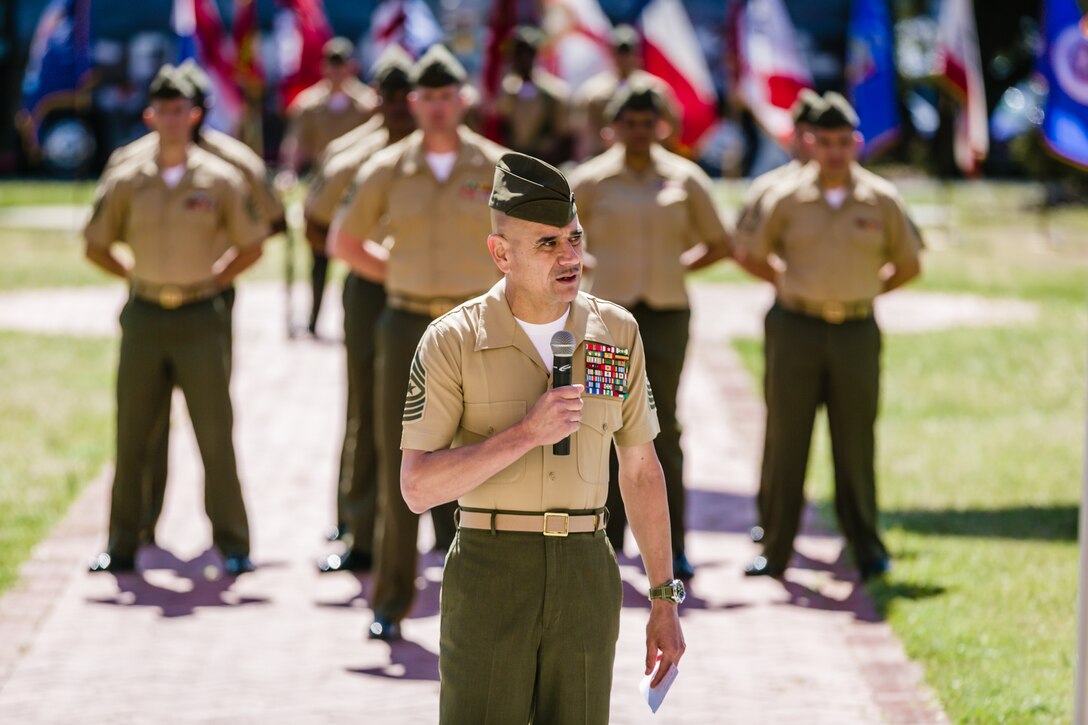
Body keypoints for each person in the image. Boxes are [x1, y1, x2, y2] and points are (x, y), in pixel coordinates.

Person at [398, 152, 685, 723]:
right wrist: (526, 434)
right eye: (547, 244)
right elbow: (418, 488)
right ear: (501, 253)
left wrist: (663, 598)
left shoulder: (613, 332)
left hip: (586, 571)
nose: (570, 256)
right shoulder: (451, 341)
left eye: (574, 238)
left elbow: (640, 469)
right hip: (490, 568)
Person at [328, 45, 508, 640]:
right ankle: (390, 600)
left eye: (446, 96)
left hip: (472, 328)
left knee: (477, 460)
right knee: (398, 457)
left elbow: (537, 241)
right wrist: (400, 272)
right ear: (414, 102)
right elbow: (345, 242)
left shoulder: (497, 168)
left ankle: (474, 604)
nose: (436, 107)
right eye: (426, 98)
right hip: (404, 324)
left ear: (463, 100)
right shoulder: (387, 168)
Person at [84, 67, 267, 575]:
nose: (170, 119)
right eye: (161, 110)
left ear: (194, 115)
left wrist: (216, 276)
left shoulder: (219, 177)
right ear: (149, 116)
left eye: (179, 110)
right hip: (144, 317)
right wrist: (133, 275)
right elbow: (95, 243)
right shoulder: (127, 175)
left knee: (214, 432)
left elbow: (252, 242)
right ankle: (121, 543)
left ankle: (233, 543)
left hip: (200, 317)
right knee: (133, 433)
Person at [735, 93, 923, 580]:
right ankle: (775, 550)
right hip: (795, 326)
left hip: (856, 331)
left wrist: (865, 289)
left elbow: (909, 264)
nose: (836, 152)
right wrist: (789, 283)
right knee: (787, 438)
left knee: (855, 442)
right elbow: (750, 252)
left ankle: (866, 549)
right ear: (810, 143)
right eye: (827, 142)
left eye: (845, 142)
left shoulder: (881, 199)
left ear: (857, 143)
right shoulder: (785, 197)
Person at [569, 81, 733, 580]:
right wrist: (586, 265)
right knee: (605, 423)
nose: (639, 133)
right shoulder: (591, 181)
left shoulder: (684, 179)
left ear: (662, 126)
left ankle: (671, 545)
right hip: (606, 321)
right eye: (629, 124)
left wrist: (674, 265)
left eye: (647, 123)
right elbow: (557, 237)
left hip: (665, 315)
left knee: (663, 426)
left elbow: (719, 241)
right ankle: (606, 541)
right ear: (612, 127)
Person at [305, 45, 417, 573]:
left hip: (432, 289)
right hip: (373, 288)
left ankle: (440, 528)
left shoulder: (437, 153)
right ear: (377, 98)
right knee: (365, 407)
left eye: (405, 96)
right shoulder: (354, 154)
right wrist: (375, 262)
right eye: (390, 96)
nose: (397, 106)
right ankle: (358, 522)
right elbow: (315, 220)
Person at [280, 37, 377, 336]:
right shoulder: (310, 105)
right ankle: (313, 319)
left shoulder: (367, 105)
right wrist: (289, 172)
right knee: (318, 260)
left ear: (351, 66)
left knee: (359, 258)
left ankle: (357, 320)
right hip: (323, 190)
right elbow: (296, 143)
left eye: (341, 64)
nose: (336, 71)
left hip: (358, 190)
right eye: (331, 64)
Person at [571, 24, 679, 161]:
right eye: (619, 52)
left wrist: (651, 143)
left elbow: (674, 126)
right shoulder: (594, 92)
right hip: (607, 160)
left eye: (628, 52)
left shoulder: (655, 88)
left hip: (648, 160)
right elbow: (585, 135)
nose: (624, 57)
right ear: (611, 53)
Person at [493, 25, 572, 166]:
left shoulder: (553, 92)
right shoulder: (508, 91)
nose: (523, 59)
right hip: (515, 163)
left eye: (527, 53)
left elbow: (564, 136)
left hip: (545, 163)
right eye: (518, 54)